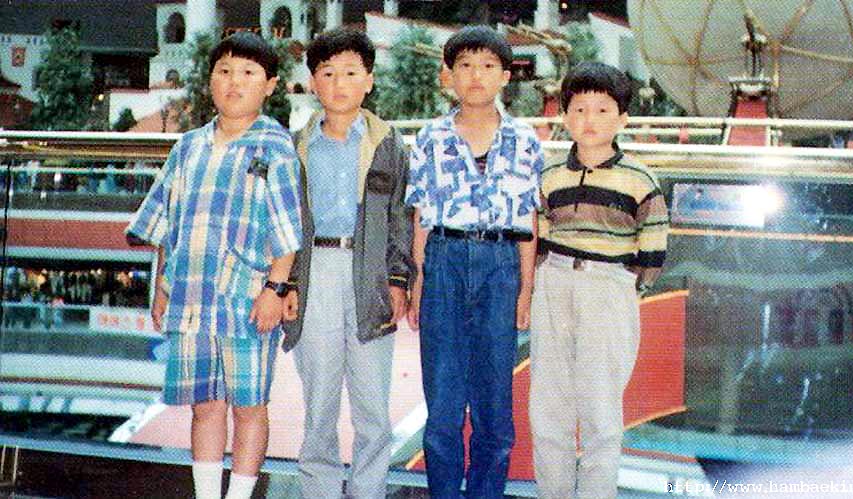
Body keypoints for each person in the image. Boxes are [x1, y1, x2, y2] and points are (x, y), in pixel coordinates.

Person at [125, 32, 304, 499]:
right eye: (224, 71)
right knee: (204, 404)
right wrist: (162, 287)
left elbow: (287, 228)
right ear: (209, 80)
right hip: (190, 296)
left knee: (249, 404)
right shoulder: (188, 146)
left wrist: (275, 289)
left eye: (247, 73)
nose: (234, 82)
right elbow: (166, 222)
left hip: (247, 296)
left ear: (270, 85)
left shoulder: (275, 146)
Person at [405, 25, 543, 499]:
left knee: (494, 405)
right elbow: (421, 215)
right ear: (449, 76)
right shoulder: (430, 138)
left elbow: (528, 219)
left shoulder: (524, 139)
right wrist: (419, 281)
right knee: (443, 403)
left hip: (501, 264)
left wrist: (525, 289)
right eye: (464, 66)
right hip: (444, 260)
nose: (476, 75)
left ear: (506, 75)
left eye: (487, 66)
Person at [280, 27, 414, 499]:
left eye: (351, 73)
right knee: (319, 403)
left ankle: (367, 492)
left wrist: (398, 280)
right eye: (328, 73)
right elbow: (283, 220)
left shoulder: (389, 145)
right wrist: (288, 283)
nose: (339, 83)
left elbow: (401, 216)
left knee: (372, 405)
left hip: (370, 275)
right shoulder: (294, 147)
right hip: (314, 272)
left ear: (369, 81)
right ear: (313, 82)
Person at [529, 61, 670, 499]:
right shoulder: (549, 175)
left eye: (603, 110)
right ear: (564, 115)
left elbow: (652, 247)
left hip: (608, 288)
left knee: (601, 410)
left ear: (622, 118)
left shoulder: (639, 179)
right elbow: (539, 236)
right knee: (548, 407)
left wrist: (624, 286)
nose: (589, 119)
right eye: (579, 109)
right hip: (553, 283)